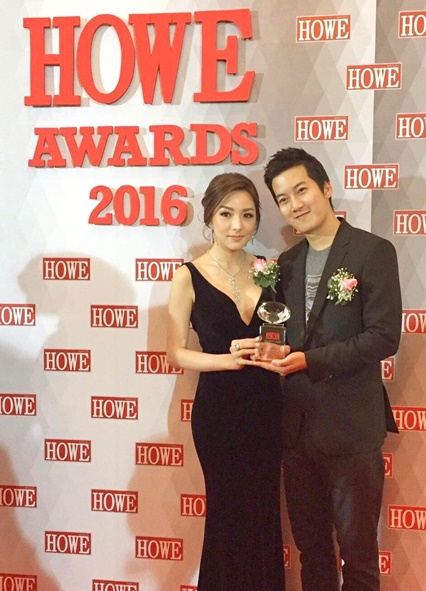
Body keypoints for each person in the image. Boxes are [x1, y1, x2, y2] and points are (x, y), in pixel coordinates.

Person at [254, 147, 402, 591]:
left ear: (325, 187)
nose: (294, 205)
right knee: (312, 553)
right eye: (283, 199)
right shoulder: (285, 264)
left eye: (301, 190)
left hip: (350, 430)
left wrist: (309, 360)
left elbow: (383, 337)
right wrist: (264, 349)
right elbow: (279, 332)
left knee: (358, 557)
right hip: (297, 432)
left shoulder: (373, 251)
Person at [166, 172, 286, 591]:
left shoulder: (270, 271)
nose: (237, 225)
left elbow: (282, 335)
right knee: (227, 514)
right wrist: (227, 360)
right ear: (209, 218)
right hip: (218, 414)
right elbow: (175, 352)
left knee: (264, 513)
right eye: (226, 214)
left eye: (247, 215)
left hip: (268, 409)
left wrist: (277, 353)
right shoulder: (188, 276)